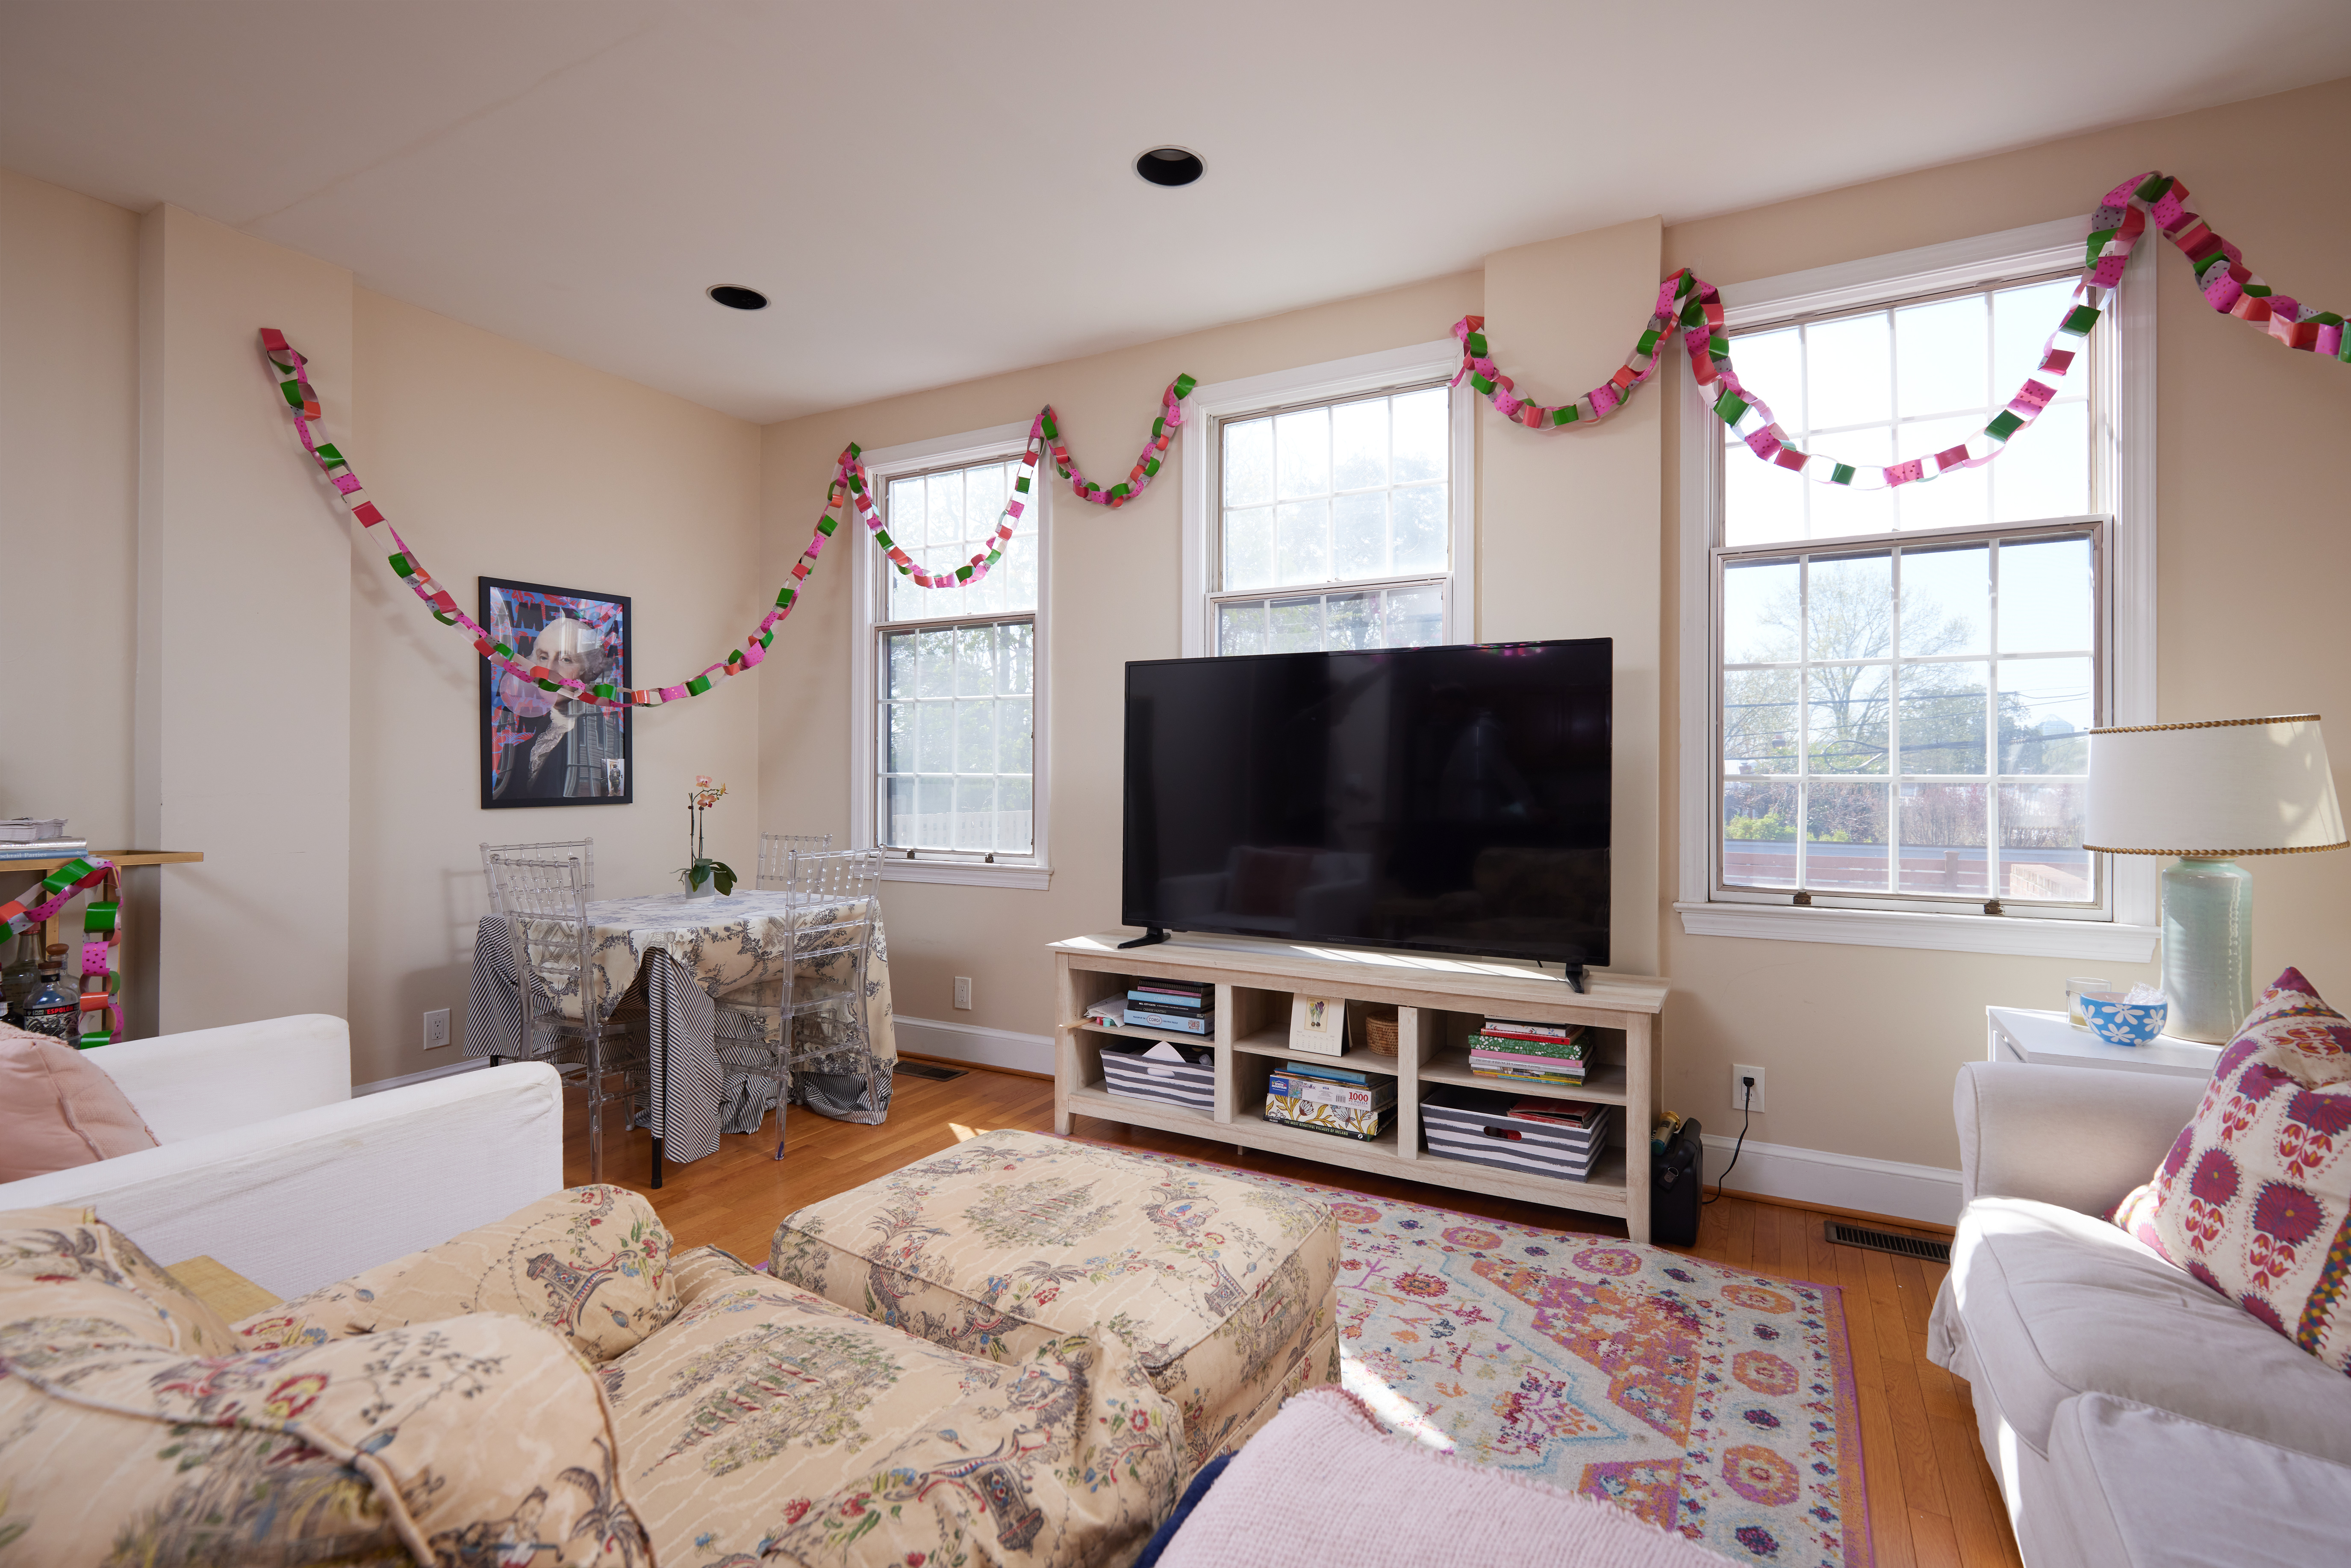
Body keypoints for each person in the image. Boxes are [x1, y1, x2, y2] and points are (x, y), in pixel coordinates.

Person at [494, 616, 625, 800]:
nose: (549, 670)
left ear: (590, 670)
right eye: (543, 657)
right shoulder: (526, 739)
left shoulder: (608, 740)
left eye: (566, 659)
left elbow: (611, 799)